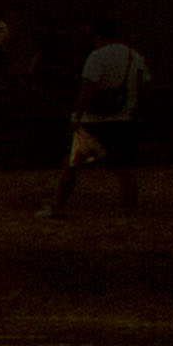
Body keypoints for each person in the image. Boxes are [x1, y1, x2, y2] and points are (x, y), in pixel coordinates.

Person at [49, 24, 149, 211]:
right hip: (123, 116)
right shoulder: (134, 57)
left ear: (98, 37)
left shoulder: (97, 56)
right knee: (123, 166)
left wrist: (77, 115)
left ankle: (58, 204)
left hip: (93, 120)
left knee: (71, 163)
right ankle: (129, 205)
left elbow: (88, 88)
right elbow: (142, 84)